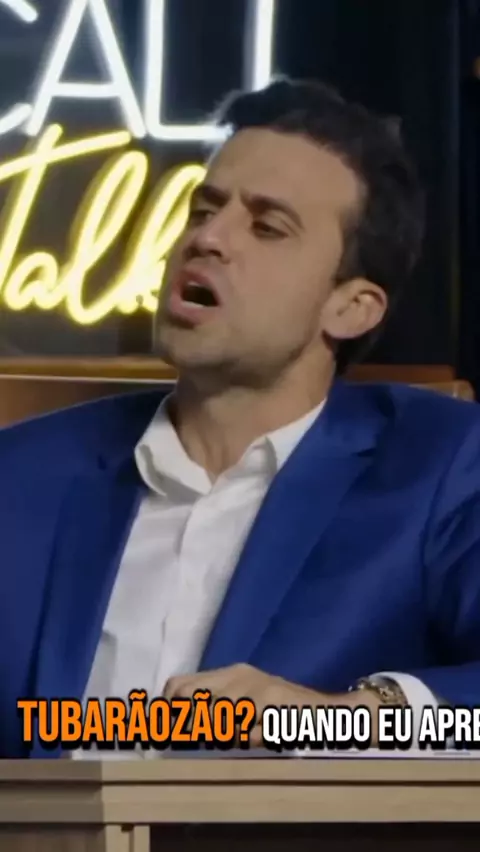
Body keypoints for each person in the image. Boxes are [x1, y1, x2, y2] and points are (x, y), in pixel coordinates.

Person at [1, 78, 480, 760]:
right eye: (204, 209)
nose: (207, 239)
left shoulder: (441, 465)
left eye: (267, 227)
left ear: (351, 308)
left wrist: (333, 722)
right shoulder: (19, 475)